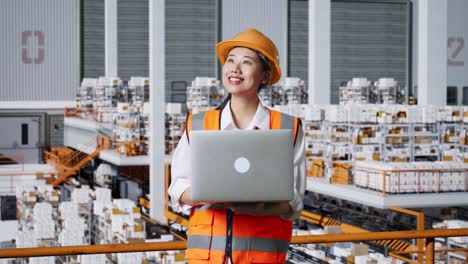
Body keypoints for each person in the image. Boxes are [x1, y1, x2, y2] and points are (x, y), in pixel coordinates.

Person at [168, 28, 306, 264]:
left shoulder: (287, 128)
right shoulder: (199, 124)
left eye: (247, 62)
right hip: (206, 259)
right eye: (230, 60)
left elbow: (293, 201)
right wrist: (213, 195)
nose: (235, 68)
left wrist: (257, 209)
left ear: (264, 75)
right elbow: (177, 188)